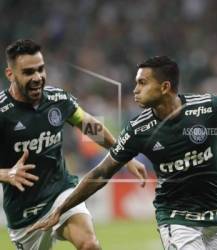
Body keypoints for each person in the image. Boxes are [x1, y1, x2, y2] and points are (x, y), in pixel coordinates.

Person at [28, 56, 217, 250]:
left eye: (142, 83)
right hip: (176, 217)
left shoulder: (207, 107)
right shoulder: (138, 129)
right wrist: (61, 208)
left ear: (165, 87)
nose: (134, 89)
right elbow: (102, 172)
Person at [0, 39, 147, 250]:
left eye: (40, 70)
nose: (37, 78)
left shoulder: (57, 99)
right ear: (10, 74)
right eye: (28, 72)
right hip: (24, 214)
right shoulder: (3, 112)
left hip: (61, 193)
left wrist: (124, 156)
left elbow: (89, 126)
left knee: (89, 245)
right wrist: (6, 174)